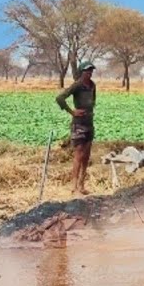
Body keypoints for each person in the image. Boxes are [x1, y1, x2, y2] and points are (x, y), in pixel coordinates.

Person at [56, 61, 97, 196]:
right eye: (87, 71)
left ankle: (81, 185)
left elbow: (93, 102)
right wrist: (72, 112)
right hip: (78, 124)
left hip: (89, 123)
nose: (90, 73)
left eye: (91, 71)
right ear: (81, 72)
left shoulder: (92, 85)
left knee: (86, 156)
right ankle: (74, 187)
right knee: (79, 155)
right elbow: (60, 98)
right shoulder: (77, 85)